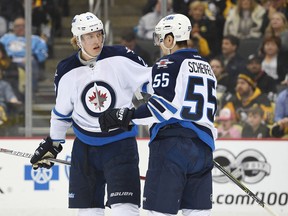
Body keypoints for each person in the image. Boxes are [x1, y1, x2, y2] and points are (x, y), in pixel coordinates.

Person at [29, 12, 151, 216]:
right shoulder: (66, 70)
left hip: (120, 145)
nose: (96, 40)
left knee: (126, 210)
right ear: (78, 40)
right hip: (85, 148)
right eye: (89, 36)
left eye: (99, 34)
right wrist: (54, 144)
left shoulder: (121, 56)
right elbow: (61, 113)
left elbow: (152, 82)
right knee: (87, 211)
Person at [99, 14, 217, 216]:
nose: (161, 45)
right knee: (197, 213)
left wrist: (125, 116)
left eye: (162, 39)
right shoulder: (206, 67)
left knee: (159, 212)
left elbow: (162, 107)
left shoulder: (168, 63)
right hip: (203, 149)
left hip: (173, 146)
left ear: (170, 39)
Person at [0, 16, 48, 90]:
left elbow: (43, 53)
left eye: (23, 26)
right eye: (17, 26)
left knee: (31, 64)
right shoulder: (6, 38)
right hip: (9, 61)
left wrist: (33, 57)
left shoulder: (35, 39)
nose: (20, 28)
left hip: (27, 61)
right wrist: (7, 57)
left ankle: (32, 92)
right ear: (13, 28)